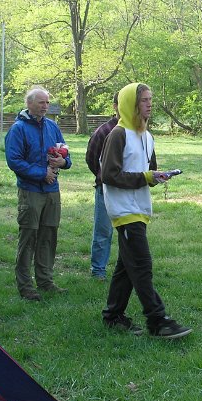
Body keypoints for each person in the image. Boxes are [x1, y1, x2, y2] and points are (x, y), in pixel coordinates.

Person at [100, 82, 191, 339]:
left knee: (126, 266)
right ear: (131, 104)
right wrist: (146, 177)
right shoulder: (117, 135)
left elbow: (148, 171)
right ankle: (157, 320)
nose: (149, 104)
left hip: (140, 207)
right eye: (143, 100)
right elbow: (108, 175)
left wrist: (157, 176)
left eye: (150, 99)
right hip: (124, 210)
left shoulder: (148, 136)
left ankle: (113, 316)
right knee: (141, 265)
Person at [5, 86, 70, 301]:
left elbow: (65, 153)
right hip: (31, 190)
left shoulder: (52, 126)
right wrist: (42, 173)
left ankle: (45, 281)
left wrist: (63, 162)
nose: (45, 106)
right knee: (29, 237)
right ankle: (25, 286)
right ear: (29, 103)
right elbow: (14, 161)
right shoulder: (18, 129)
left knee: (48, 236)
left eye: (47, 102)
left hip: (52, 191)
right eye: (41, 102)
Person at [85, 93, 119, 280]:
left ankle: (128, 270)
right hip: (105, 189)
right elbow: (91, 158)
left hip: (130, 189)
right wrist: (102, 175)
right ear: (115, 106)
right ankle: (98, 270)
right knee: (103, 231)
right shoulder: (104, 131)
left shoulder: (137, 129)